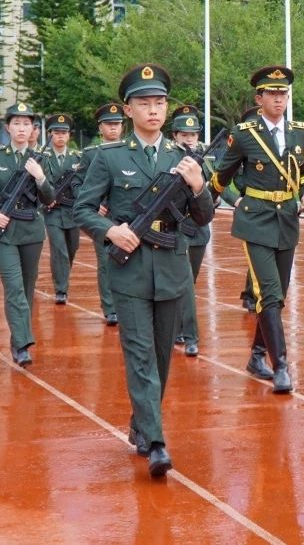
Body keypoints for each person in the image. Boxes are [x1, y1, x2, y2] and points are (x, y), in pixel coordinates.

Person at [75, 63, 214, 478]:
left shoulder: (182, 158)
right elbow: (83, 208)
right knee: (140, 356)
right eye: (144, 103)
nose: (153, 110)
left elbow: (203, 217)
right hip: (130, 271)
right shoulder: (109, 157)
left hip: (172, 268)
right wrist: (110, 231)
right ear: (128, 109)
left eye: (159, 103)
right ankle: (155, 441)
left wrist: (198, 186)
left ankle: (141, 422)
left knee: (162, 358)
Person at [209, 66, 304, 394]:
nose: (279, 99)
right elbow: (222, 175)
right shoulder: (245, 134)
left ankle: (257, 355)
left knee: (277, 295)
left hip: (287, 219)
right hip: (255, 220)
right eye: (272, 94)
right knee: (269, 292)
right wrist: (207, 204)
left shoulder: (300, 133)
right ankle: (280, 365)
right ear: (259, 99)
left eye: (283, 94)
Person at [0, 103, 55, 366]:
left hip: (32, 231)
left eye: (27, 124)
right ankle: (22, 344)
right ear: (7, 127)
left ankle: (17, 337)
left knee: (28, 289)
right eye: (17, 123)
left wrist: (40, 177)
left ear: (33, 129)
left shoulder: (40, 159)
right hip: (3, 232)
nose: (22, 129)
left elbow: (50, 198)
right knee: (14, 288)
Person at [74, 103, 127, 325]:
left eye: (117, 124)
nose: (113, 128)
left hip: (126, 216)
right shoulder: (90, 154)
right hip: (102, 218)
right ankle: (110, 307)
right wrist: (94, 206)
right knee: (105, 262)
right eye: (108, 124)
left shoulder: (130, 151)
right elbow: (78, 184)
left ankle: (126, 305)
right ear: (100, 127)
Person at [170, 105, 211, 358]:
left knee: (188, 283)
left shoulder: (204, 161)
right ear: (175, 136)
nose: (189, 139)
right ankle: (190, 336)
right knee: (183, 283)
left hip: (198, 230)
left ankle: (177, 328)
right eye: (184, 135)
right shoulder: (168, 158)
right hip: (176, 230)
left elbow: (213, 189)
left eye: (193, 134)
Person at [42, 114, 82, 305]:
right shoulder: (44, 157)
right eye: (56, 133)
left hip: (72, 211)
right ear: (50, 135)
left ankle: (62, 276)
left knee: (72, 248)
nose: (60, 136)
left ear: (69, 135)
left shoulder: (77, 158)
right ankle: (61, 289)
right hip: (52, 211)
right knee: (59, 249)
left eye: (63, 133)